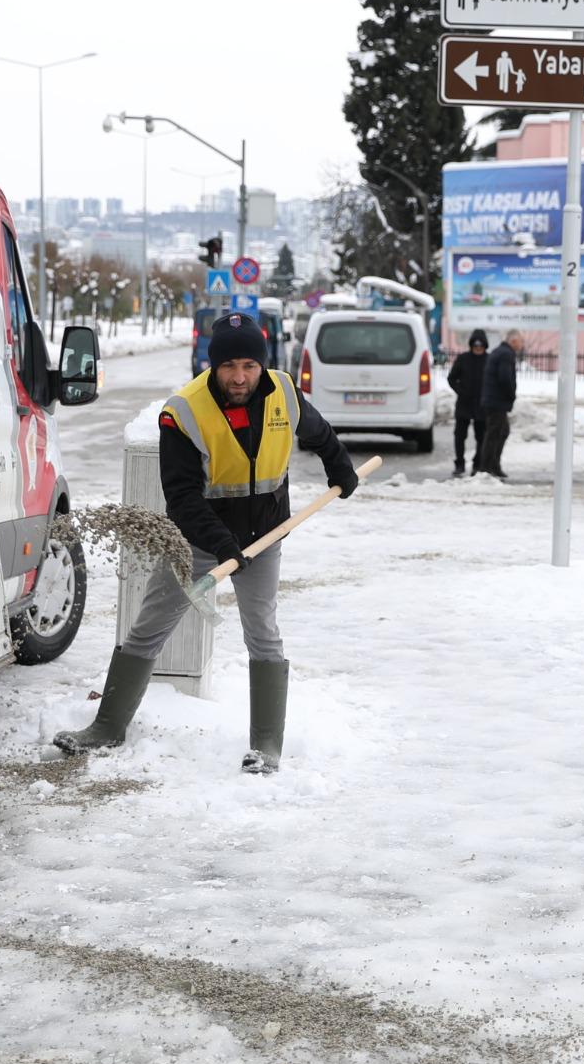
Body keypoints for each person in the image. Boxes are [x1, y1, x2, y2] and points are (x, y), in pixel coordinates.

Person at [55, 312, 359, 775]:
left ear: (263, 365)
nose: (240, 377)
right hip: (197, 540)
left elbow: (319, 434)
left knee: (262, 630)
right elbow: (181, 496)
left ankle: (266, 745)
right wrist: (219, 544)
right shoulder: (184, 412)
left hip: (264, 536)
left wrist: (340, 468)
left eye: (250, 366)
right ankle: (107, 727)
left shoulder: (284, 393)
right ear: (213, 367)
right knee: (151, 624)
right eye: (230, 366)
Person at [476, 329, 521, 479]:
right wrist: (511, 395)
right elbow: (505, 378)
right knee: (494, 434)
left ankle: (492, 465)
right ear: (513, 341)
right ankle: (487, 467)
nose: (522, 345)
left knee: (501, 432)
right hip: (497, 401)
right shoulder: (506, 354)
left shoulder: (500, 351)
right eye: (521, 341)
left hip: (494, 400)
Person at [448, 330, 489, 478]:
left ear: (485, 345)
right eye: (475, 344)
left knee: (481, 436)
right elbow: (451, 378)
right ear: (471, 344)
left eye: (481, 345)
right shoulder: (463, 359)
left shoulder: (489, 360)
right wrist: (461, 391)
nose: (478, 347)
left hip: (482, 405)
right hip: (464, 404)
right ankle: (459, 463)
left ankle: (477, 464)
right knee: (459, 435)